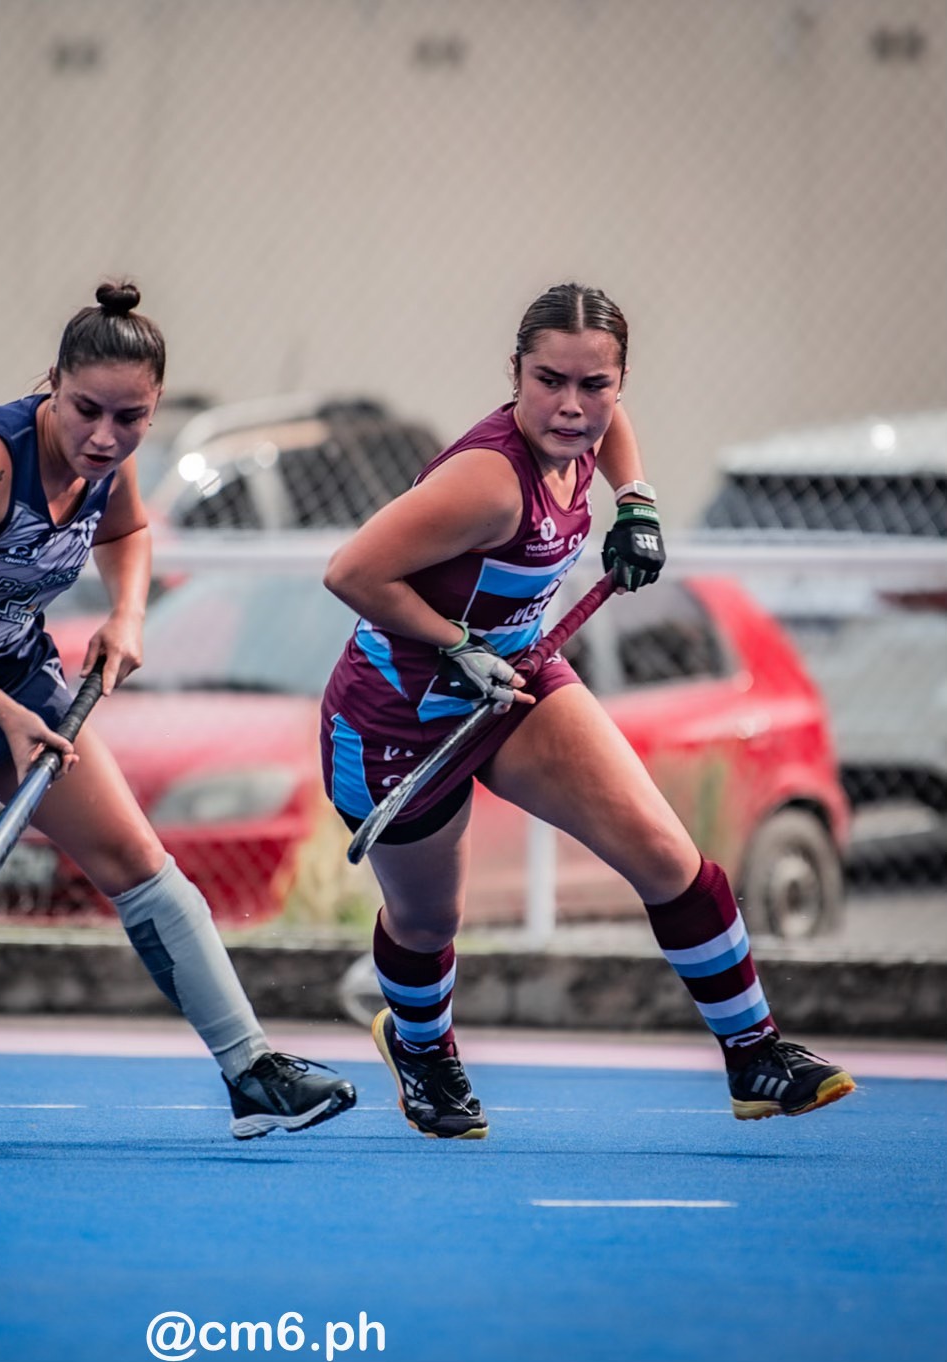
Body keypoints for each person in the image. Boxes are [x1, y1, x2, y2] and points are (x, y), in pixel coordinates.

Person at [0, 281, 355, 1142]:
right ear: (52, 382)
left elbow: (128, 536)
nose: (105, 436)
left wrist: (127, 617)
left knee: (137, 858)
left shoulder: (106, 460)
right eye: (87, 410)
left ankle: (251, 1070)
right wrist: (3, 716)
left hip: (9, 674)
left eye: (132, 419)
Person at [319, 282, 854, 1139]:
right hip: (402, 715)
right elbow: (350, 573)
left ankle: (754, 1053)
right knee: (428, 920)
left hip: (519, 685)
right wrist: (459, 645)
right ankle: (420, 1049)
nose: (573, 407)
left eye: (595, 385)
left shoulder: (588, 428)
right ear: (516, 375)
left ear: (618, 382)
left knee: (664, 852)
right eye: (549, 382)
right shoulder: (491, 484)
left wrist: (634, 499)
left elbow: (610, 436)